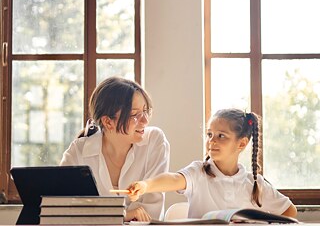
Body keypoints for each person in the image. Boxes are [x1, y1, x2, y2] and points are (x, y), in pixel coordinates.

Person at [127, 108, 297, 219]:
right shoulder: (198, 172)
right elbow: (173, 179)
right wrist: (145, 185)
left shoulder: (255, 184)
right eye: (209, 135)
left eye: (221, 136)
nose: (212, 141)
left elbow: (289, 211)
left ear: (241, 143)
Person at [60, 76, 170, 222]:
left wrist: (101, 215)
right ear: (108, 122)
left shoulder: (155, 141)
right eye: (134, 115)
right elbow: (62, 208)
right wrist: (124, 215)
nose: (145, 120)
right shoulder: (79, 151)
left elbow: (150, 213)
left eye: (145, 111)